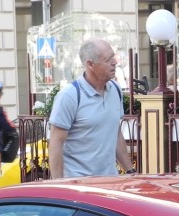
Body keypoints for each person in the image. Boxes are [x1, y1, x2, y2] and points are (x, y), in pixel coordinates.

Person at [48, 38, 136, 178]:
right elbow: (55, 144)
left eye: (113, 56)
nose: (115, 62)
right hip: (78, 185)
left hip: (109, 181)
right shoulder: (69, 96)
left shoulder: (115, 90)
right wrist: (58, 185)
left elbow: (116, 133)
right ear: (90, 64)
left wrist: (130, 171)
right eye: (108, 59)